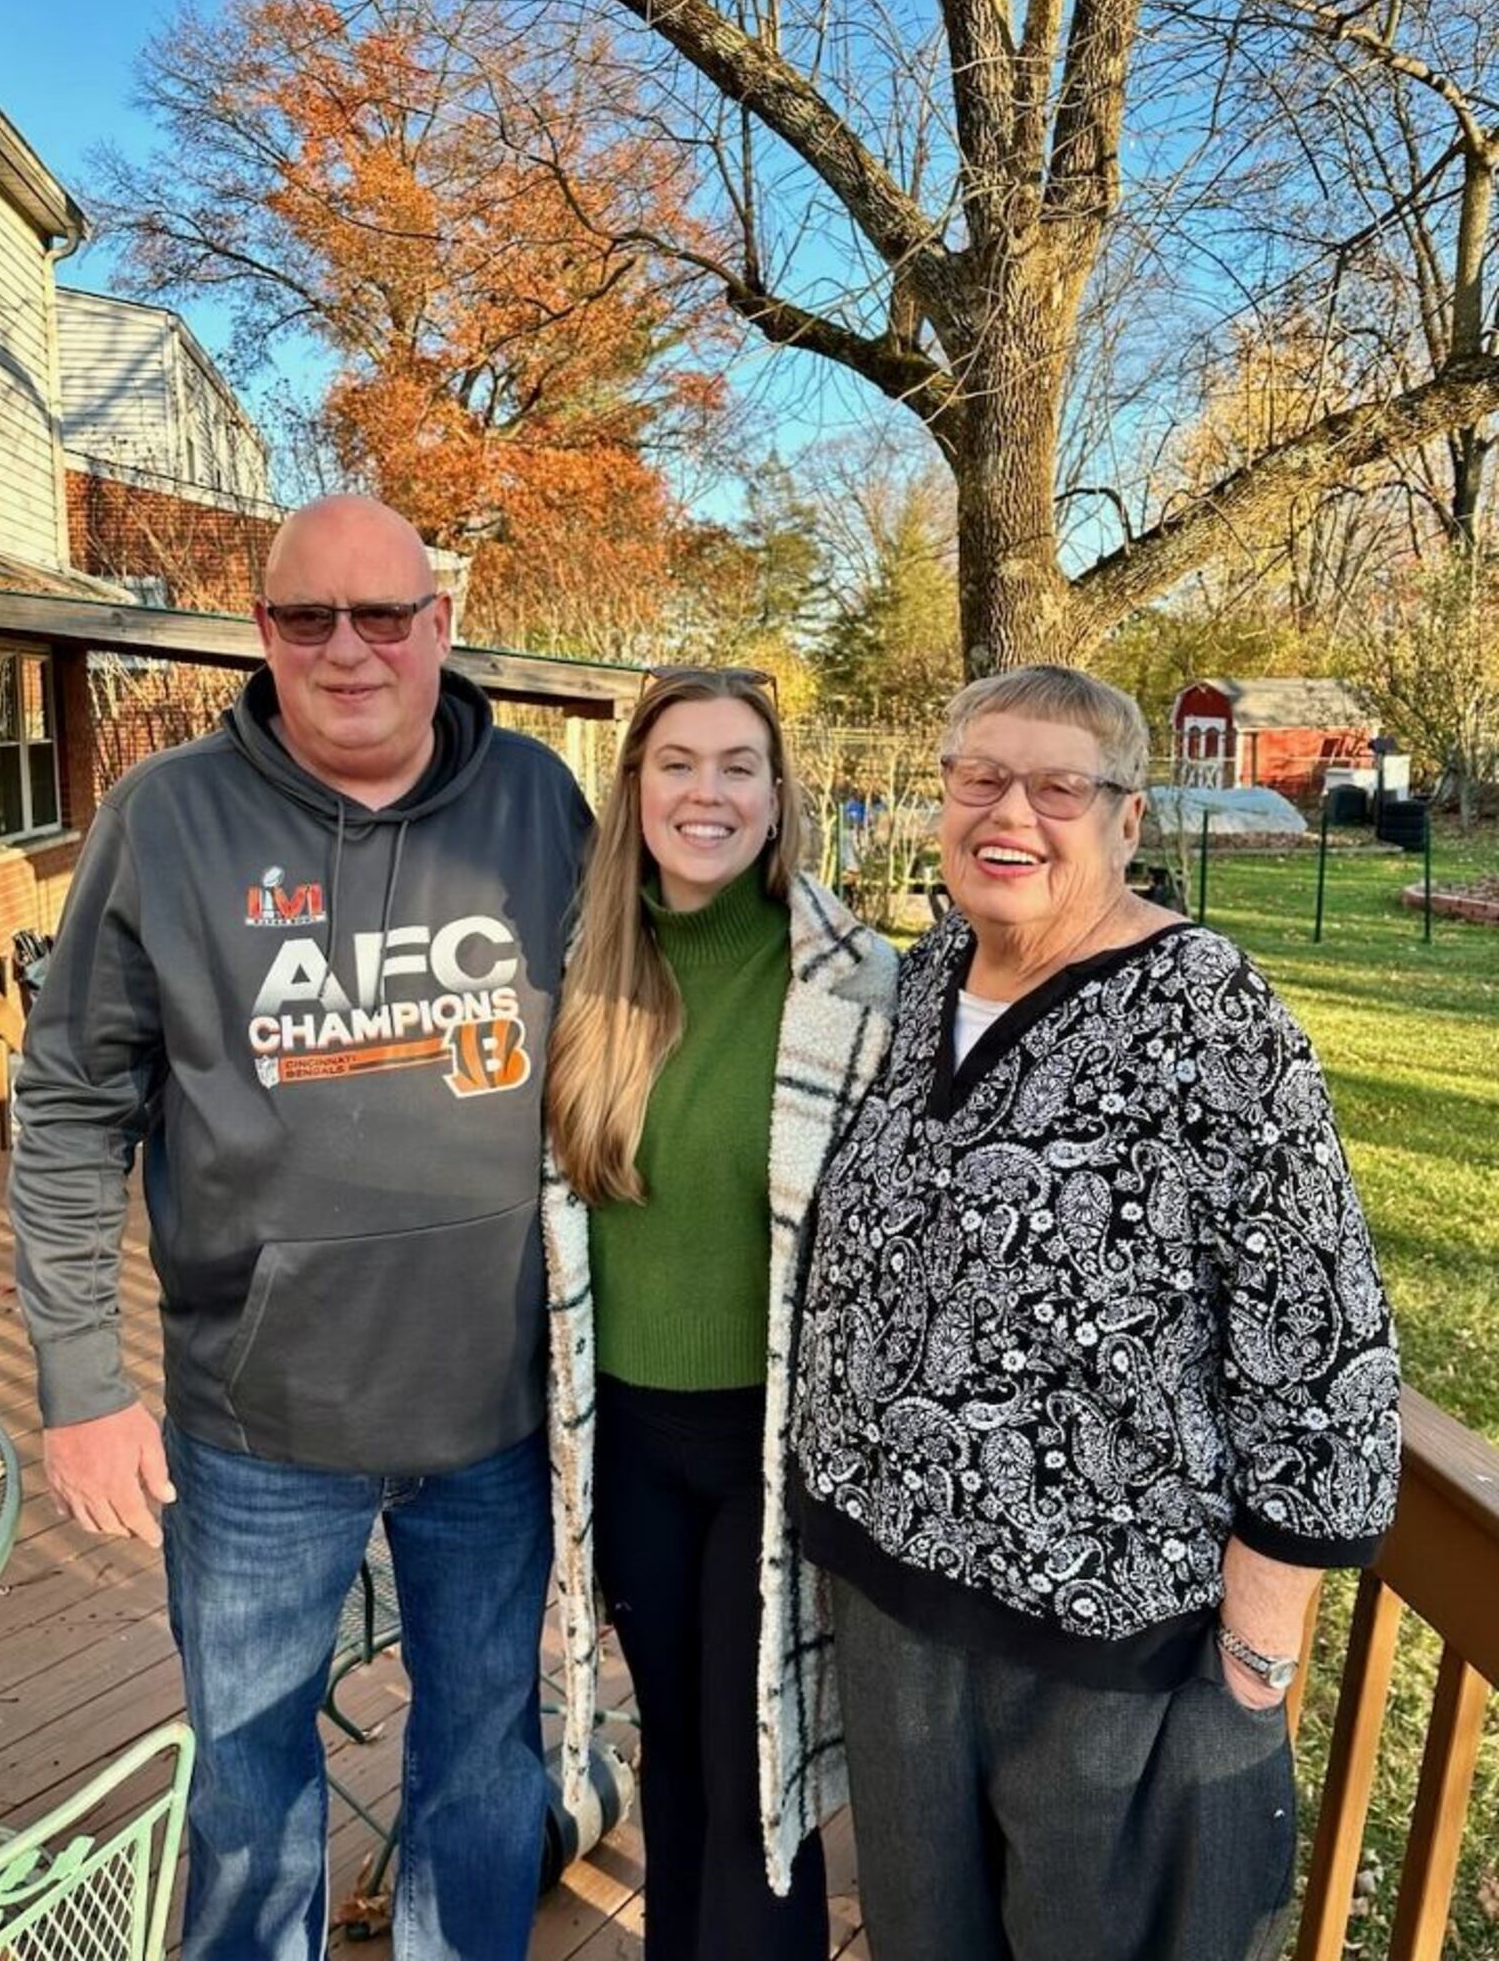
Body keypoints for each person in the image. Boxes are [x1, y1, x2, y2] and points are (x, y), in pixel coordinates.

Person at [10, 495, 592, 1961]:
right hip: (255, 1422)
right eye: (307, 617)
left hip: (493, 1412)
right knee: (252, 1780)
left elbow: (651, 1028)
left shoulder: (538, 804)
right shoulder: (167, 818)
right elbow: (73, 1099)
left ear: (440, 627)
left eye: (382, 613)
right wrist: (81, 1382)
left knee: (482, 1760)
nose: (348, 648)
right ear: (262, 633)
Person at [791, 664, 1401, 1961]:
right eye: (981, 775)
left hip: (1107, 1647)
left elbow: (1323, 1348)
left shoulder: (1213, 1014)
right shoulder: (922, 978)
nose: (1012, 808)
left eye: (1059, 783)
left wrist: (1255, 1665)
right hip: (899, 1612)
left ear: (1128, 821)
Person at [540, 669, 898, 1960]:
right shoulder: (584, 974)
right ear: (635, 788)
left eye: (738, 764)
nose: (708, 790)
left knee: (760, 1775)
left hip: (774, 1441)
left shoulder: (855, 986)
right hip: (626, 1439)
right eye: (678, 762)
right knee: (682, 1758)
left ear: (778, 793)